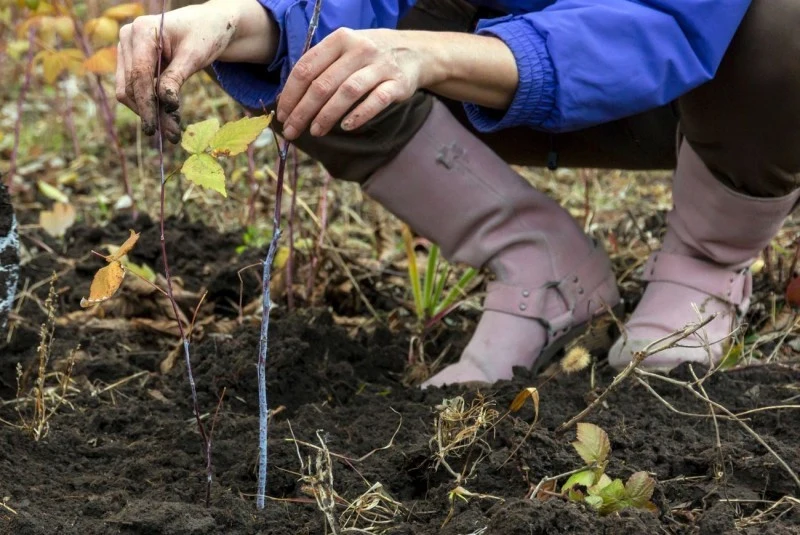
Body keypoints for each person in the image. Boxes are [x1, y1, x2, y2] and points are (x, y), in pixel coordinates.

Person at [116, 0, 800, 387]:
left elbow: (667, 25)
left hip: (693, 82)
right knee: (299, 52)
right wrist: (238, 22)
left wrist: (435, 56)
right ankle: (539, 262)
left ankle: (705, 265)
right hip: (486, 69)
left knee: (786, 24)